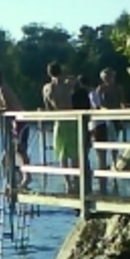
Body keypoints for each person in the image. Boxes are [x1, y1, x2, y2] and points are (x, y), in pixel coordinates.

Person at [0, 70, 31, 188]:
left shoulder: (3, 89)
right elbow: (2, 106)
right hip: (15, 122)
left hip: (20, 121)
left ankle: (27, 176)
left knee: (21, 150)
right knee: (15, 150)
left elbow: (8, 108)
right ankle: (18, 176)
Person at [42, 61, 79, 193]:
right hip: (70, 119)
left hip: (58, 121)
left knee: (62, 154)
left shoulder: (46, 88)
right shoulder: (66, 84)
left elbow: (48, 108)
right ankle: (76, 181)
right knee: (74, 153)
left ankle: (67, 183)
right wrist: (65, 77)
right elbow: (75, 80)